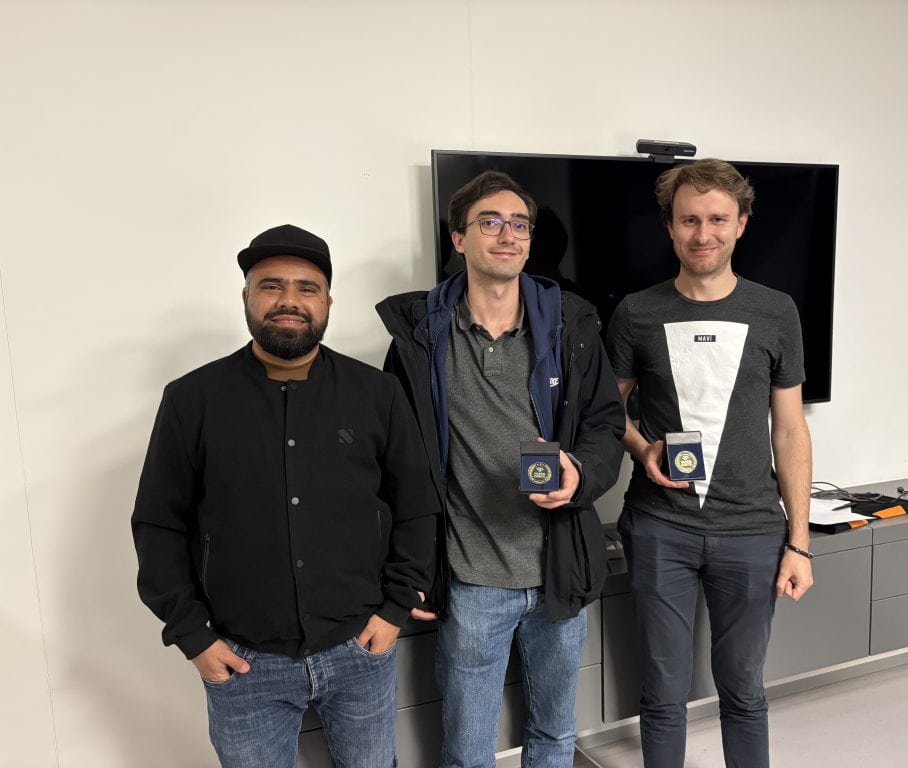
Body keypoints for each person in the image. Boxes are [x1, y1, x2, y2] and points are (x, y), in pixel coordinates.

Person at [131, 224, 438, 768]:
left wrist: (395, 610)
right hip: (243, 660)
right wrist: (193, 636)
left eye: (307, 288)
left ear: (327, 302)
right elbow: (159, 525)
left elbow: (416, 506)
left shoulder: (377, 394)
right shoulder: (191, 400)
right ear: (246, 297)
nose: (289, 301)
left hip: (360, 650)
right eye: (271, 286)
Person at [376, 171, 624, 768]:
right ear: (458, 239)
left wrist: (580, 475)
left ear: (530, 241)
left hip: (560, 570)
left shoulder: (572, 325)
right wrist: (406, 568)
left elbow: (605, 427)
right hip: (471, 578)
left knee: (555, 735)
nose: (507, 234)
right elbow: (393, 465)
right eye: (490, 222)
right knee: (466, 750)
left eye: (519, 224)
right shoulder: (420, 337)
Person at [605, 159, 814, 768]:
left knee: (743, 691)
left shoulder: (777, 311)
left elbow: (791, 428)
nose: (704, 234)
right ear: (670, 228)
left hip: (752, 530)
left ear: (741, 224)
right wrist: (643, 450)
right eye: (689, 220)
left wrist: (798, 542)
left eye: (718, 219)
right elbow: (606, 413)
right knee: (662, 694)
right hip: (659, 528)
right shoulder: (635, 313)